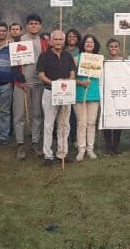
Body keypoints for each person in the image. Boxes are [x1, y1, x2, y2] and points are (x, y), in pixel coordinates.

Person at [37, 30, 76, 167]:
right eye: (56, 39)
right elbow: (41, 75)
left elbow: (72, 72)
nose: (58, 42)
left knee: (64, 124)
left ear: (63, 41)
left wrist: (66, 83)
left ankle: (62, 153)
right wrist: (54, 84)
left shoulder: (67, 55)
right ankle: (48, 155)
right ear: (51, 41)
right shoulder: (44, 56)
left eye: (60, 39)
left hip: (65, 93)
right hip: (50, 92)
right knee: (49, 124)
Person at [13, 14, 47, 160]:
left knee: (37, 115)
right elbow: (13, 63)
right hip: (22, 84)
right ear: (26, 25)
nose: (34, 26)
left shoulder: (44, 42)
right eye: (31, 23)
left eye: (36, 23)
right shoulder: (19, 40)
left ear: (40, 26)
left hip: (39, 83)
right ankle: (20, 144)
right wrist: (19, 78)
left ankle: (35, 142)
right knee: (19, 115)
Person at [74, 34, 101, 161]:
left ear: (95, 45)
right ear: (83, 44)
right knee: (81, 123)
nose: (89, 44)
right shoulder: (76, 59)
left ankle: (90, 148)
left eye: (91, 42)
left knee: (91, 123)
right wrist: (81, 83)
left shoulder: (99, 59)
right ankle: (81, 149)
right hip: (80, 93)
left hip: (94, 93)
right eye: (87, 42)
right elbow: (71, 78)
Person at [102, 38, 123, 155]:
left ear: (118, 48)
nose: (113, 48)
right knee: (108, 119)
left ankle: (116, 145)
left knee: (118, 119)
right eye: (111, 46)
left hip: (119, 94)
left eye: (115, 46)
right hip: (107, 93)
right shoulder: (104, 61)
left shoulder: (123, 61)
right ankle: (108, 146)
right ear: (108, 48)